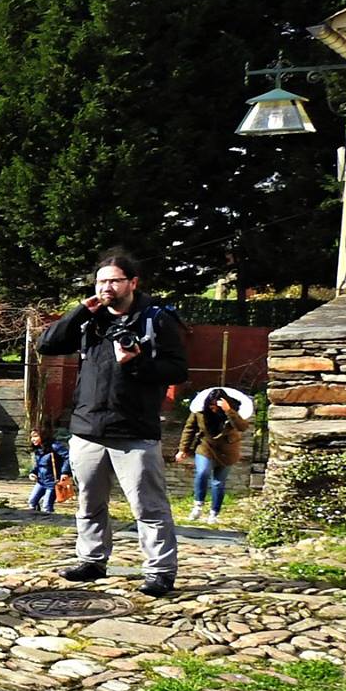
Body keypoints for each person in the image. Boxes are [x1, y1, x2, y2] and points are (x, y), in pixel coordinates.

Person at [37, 250, 189, 596]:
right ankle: (92, 560)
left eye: (114, 281)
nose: (106, 287)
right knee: (89, 503)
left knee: (149, 508)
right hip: (88, 428)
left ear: (132, 283)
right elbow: (48, 344)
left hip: (134, 430)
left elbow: (178, 370)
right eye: (101, 281)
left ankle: (160, 571)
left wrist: (136, 363)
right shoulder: (90, 320)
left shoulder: (156, 320)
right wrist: (80, 310)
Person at [178, 388, 250, 524]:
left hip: (227, 451)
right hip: (206, 446)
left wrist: (228, 411)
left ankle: (214, 514)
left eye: (216, 406)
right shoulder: (199, 412)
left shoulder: (236, 411)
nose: (213, 409)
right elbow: (189, 429)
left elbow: (242, 427)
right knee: (202, 472)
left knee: (218, 483)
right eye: (211, 406)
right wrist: (183, 449)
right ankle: (198, 505)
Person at [28, 425, 69, 514]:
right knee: (32, 501)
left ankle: (50, 523)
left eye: (35, 436)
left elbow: (67, 457)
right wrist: (33, 473)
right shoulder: (38, 449)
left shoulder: (54, 446)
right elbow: (39, 464)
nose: (33, 439)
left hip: (53, 482)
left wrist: (65, 472)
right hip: (41, 481)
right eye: (32, 437)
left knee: (46, 506)